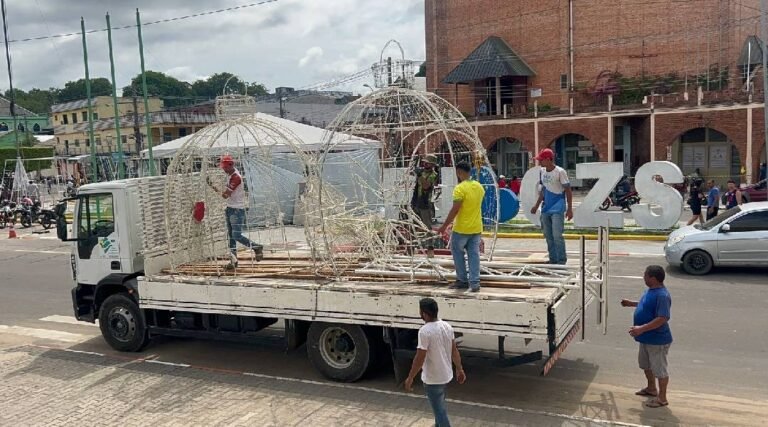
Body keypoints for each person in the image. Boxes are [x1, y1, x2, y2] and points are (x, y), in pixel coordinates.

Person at [404, 298, 466, 427]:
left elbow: (419, 358)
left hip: (433, 379)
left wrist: (410, 377)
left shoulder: (425, 331)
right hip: (445, 376)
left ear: (424, 313)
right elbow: (454, 350)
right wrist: (459, 369)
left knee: (440, 412)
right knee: (440, 407)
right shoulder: (447, 326)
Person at [621, 265, 673, 408]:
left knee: (660, 370)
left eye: (645, 275)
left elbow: (662, 318)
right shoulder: (651, 290)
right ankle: (651, 389)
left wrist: (641, 328)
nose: (643, 277)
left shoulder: (662, 295)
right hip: (646, 338)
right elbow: (646, 305)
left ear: (653, 278)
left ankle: (662, 398)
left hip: (657, 340)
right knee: (645, 365)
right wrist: (632, 304)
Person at [207, 155, 263, 269]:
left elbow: (225, 195)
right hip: (230, 208)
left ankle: (256, 247)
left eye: (225, 167)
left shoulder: (235, 178)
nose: (223, 169)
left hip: (237, 210)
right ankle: (233, 261)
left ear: (231, 166)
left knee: (236, 235)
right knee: (231, 237)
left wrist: (213, 186)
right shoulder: (231, 175)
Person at [437, 162, 485, 293]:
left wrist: (444, 226)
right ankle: (475, 283)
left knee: (458, 254)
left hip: (462, 228)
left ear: (459, 172)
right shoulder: (479, 187)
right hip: (476, 227)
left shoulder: (459, 188)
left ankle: (462, 280)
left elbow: (455, 209)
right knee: (474, 255)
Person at [530, 148, 573, 265]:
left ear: (548, 160)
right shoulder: (542, 172)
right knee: (548, 235)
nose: (539, 162)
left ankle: (561, 259)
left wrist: (569, 209)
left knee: (557, 235)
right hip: (546, 207)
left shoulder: (560, 172)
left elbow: (568, 190)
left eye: (541, 160)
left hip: (558, 207)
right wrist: (536, 205)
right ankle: (553, 259)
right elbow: (543, 190)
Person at [412, 155, 439, 257]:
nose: (425, 164)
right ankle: (412, 247)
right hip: (416, 202)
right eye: (424, 162)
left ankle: (430, 249)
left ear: (432, 165)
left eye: (427, 163)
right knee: (413, 225)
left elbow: (426, 185)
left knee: (427, 227)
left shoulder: (433, 175)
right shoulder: (421, 172)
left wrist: (419, 176)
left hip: (426, 204)